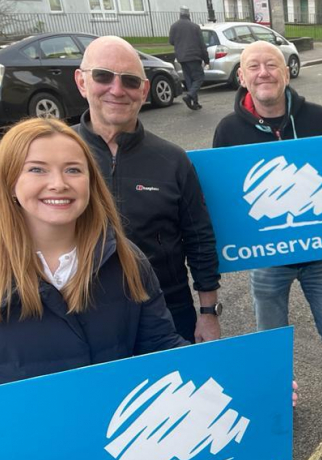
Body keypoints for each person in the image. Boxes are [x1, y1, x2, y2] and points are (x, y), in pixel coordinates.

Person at [0, 118, 187, 460]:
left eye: (73, 169)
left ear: (90, 182)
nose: (58, 183)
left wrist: (248, 384)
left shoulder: (126, 257)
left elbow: (162, 349)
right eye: (37, 169)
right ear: (9, 181)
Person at [212, 41, 322, 447]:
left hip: (319, 255)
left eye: (271, 65)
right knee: (270, 344)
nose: (264, 72)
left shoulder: (319, 118)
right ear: (242, 77)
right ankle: (276, 405)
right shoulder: (228, 130)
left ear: (287, 72)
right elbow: (225, 197)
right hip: (268, 259)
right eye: (253, 66)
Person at [74, 36, 222, 345]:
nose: (117, 90)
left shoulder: (172, 160)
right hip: (81, 316)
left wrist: (208, 312)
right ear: (81, 81)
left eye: (129, 81)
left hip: (168, 309)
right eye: (103, 76)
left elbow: (199, 239)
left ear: (143, 91)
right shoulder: (56, 157)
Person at [169, 5, 209, 111]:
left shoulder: (174, 26)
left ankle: (194, 102)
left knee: (189, 80)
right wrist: (206, 60)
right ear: (188, 14)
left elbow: (171, 41)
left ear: (180, 14)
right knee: (199, 78)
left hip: (181, 57)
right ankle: (190, 96)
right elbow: (202, 44)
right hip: (194, 57)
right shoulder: (195, 27)